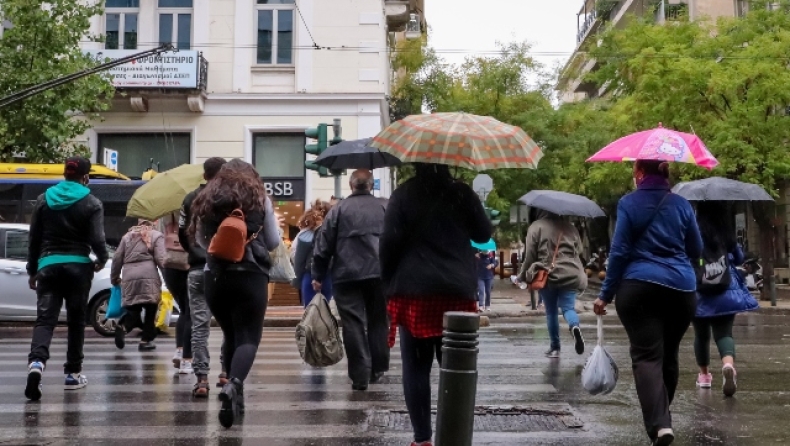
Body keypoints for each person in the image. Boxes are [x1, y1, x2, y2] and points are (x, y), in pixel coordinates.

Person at [380, 163, 491, 446]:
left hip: (414, 288)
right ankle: (453, 435)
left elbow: (389, 243)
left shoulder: (404, 194)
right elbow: (482, 235)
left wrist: (388, 284)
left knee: (415, 367)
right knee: (455, 366)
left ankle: (422, 439)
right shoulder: (462, 193)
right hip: (457, 289)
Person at [594, 160, 702, 446]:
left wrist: (605, 294)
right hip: (681, 288)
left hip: (639, 287)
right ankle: (663, 418)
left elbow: (619, 252)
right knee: (669, 354)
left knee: (646, 357)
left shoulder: (629, 203)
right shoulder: (682, 205)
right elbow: (696, 249)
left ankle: (660, 424)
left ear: (640, 173)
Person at [190, 159, 280, 428]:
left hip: (215, 276)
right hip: (250, 274)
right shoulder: (260, 199)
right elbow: (274, 240)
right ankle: (233, 385)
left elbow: (200, 241)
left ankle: (233, 392)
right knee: (248, 338)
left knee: (230, 334)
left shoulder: (206, 198)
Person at [25, 156, 109, 401]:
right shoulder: (92, 202)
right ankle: (72, 373)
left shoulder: (43, 200)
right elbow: (97, 239)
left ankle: (36, 365)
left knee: (45, 320)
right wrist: (101, 259)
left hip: (48, 266)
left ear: (65, 174)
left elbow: (34, 239)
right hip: (78, 268)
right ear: (86, 177)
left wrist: (33, 271)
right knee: (76, 321)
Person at [311, 169, 389, 391]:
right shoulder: (385, 207)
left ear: (351, 184)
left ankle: (359, 375)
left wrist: (318, 275)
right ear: (371, 185)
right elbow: (397, 239)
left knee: (352, 323)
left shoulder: (339, 210)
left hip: (346, 274)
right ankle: (378, 367)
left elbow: (322, 246)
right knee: (378, 320)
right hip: (379, 273)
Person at [692, 201, 758, 396]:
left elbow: (686, 254)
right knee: (724, 334)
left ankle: (704, 376)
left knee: (701, 336)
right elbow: (738, 258)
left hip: (699, 292)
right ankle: (728, 365)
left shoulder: (693, 229)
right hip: (724, 290)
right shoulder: (725, 231)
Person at [178, 157, 227, 396]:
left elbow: (181, 232)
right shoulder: (230, 198)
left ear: (204, 174)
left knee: (199, 325)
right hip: (226, 268)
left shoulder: (190, 199)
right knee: (230, 325)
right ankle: (226, 373)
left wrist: (195, 253)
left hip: (198, 268)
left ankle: (201, 379)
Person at [519, 209, 587, 358]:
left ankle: (555, 348)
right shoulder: (570, 227)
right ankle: (574, 326)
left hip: (547, 274)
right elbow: (580, 250)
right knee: (568, 308)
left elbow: (530, 255)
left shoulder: (536, 227)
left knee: (551, 312)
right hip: (571, 274)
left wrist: (522, 276)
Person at [111, 221, 167, 351]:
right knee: (151, 308)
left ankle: (124, 326)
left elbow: (117, 258)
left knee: (134, 307)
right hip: (149, 275)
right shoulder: (156, 236)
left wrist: (114, 278)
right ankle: (145, 340)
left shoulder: (127, 237)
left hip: (129, 276)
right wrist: (169, 276)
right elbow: (161, 259)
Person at [292, 207, 333, 307]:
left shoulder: (303, 235)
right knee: (328, 308)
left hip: (309, 273)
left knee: (310, 309)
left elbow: (296, 257)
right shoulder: (331, 232)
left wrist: (298, 277)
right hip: (329, 272)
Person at [162, 261, 192, 374]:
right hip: (190, 267)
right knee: (189, 312)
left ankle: (180, 350)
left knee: (184, 310)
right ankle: (187, 360)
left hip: (171, 269)